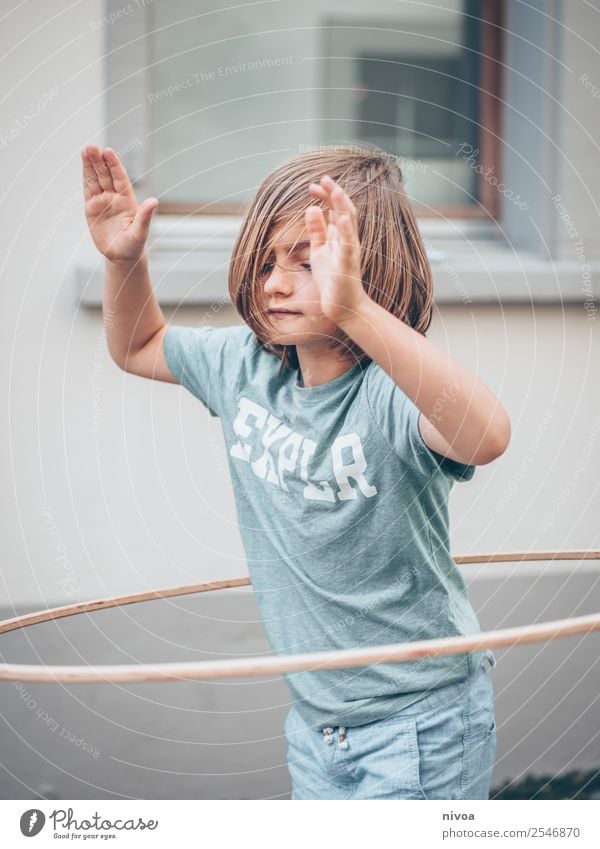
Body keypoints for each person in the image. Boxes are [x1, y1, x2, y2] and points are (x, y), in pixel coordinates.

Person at [81, 142, 510, 800]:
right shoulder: (240, 367)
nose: (275, 284)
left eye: (306, 264)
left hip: (421, 722)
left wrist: (356, 311)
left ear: (369, 270)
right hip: (315, 726)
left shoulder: (394, 395)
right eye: (264, 263)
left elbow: (486, 435)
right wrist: (125, 260)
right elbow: (137, 344)